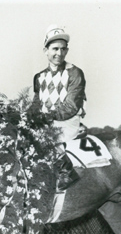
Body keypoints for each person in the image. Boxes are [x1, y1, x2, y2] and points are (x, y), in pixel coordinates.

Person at [31, 26, 86, 189]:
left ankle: (66, 172)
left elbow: (72, 105)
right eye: (55, 49)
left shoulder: (75, 72)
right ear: (45, 50)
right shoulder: (39, 76)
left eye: (63, 49)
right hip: (47, 121)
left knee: (44, 135)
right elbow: (36, 103)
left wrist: (47, 117)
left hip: (67, 121)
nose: (59, 53)